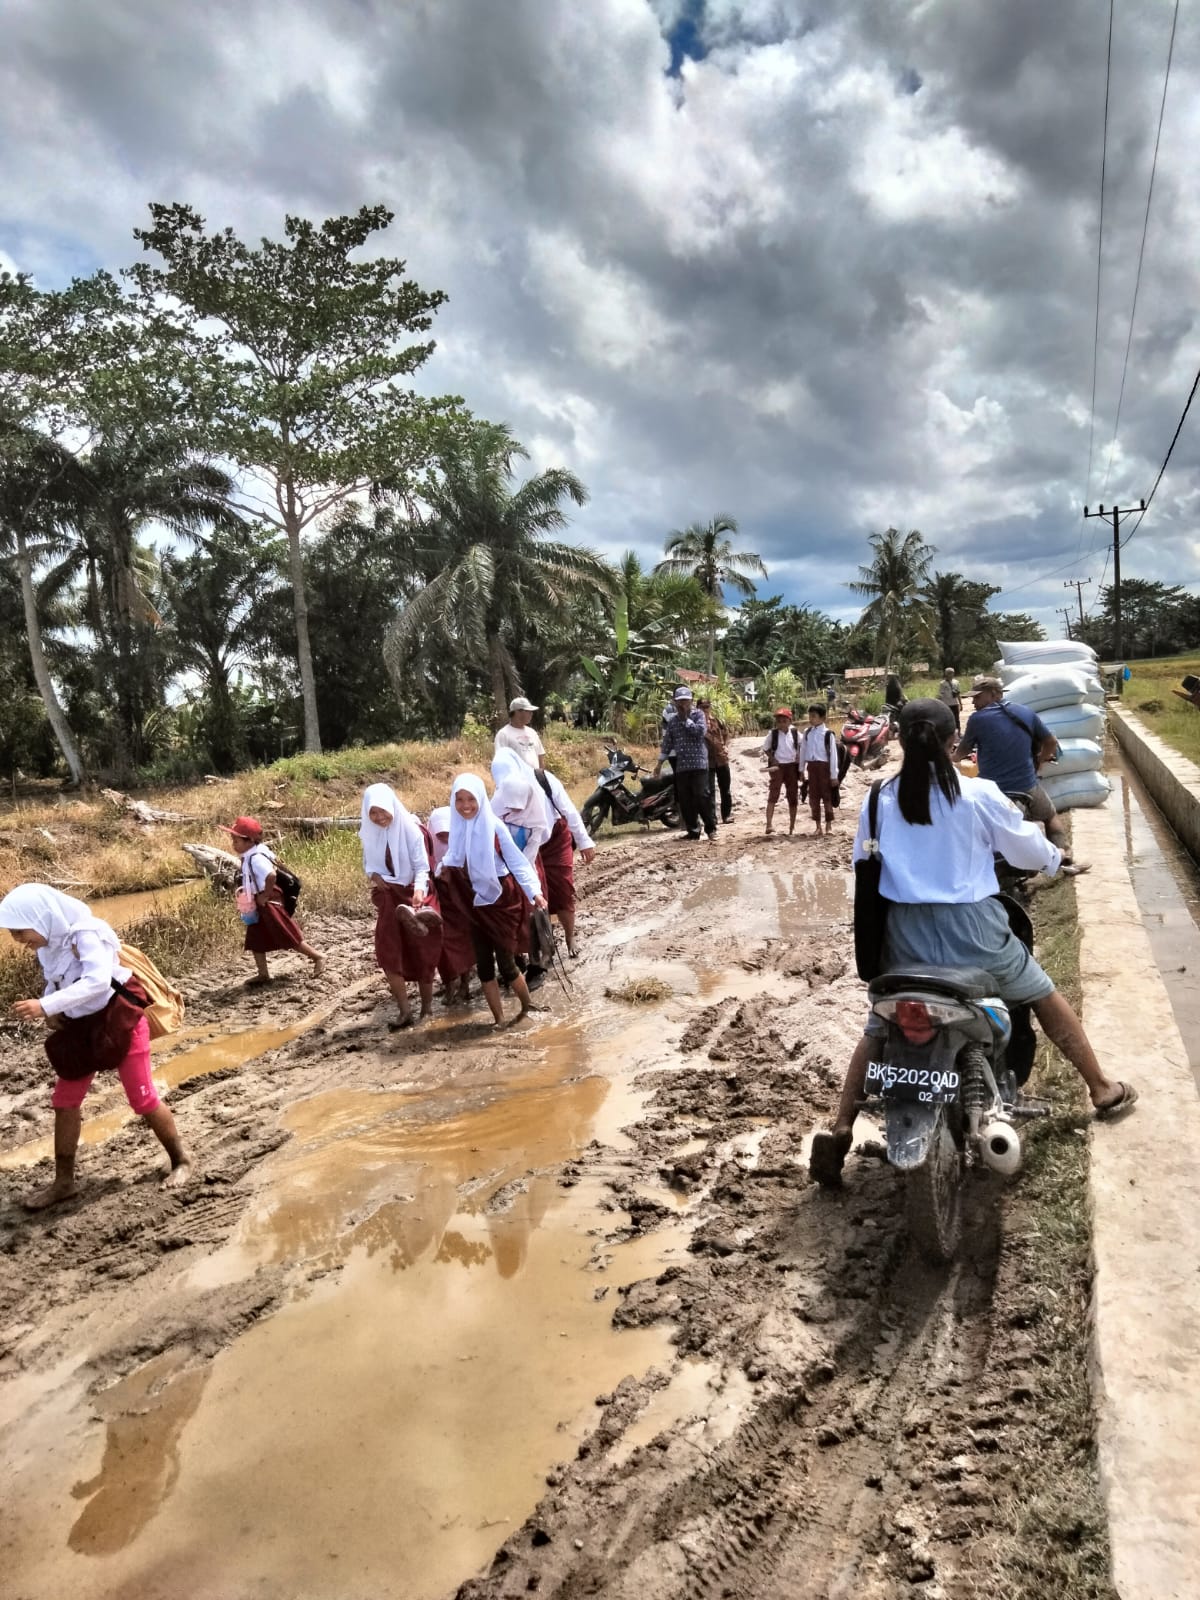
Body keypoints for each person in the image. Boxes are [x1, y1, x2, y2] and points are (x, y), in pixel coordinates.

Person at [808, 698, 1136, 1187]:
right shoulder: (978, 793)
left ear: (896, 738)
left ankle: (840, 1128)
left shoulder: (878, 799)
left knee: (879, 1025)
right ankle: (1102, 1088)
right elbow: (1027, 849)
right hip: (975, 931)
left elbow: (864, 864)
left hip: (903, 934)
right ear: (953, 741)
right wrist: (1053, 861)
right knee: (1041, 993)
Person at [0, 885, 193, 1210]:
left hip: (120, 1020)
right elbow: (56, 980)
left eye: (21, 931)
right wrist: (53, 1009)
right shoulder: (48, 945)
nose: (19, 939)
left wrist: (46, 1005)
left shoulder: (86, 933)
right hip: (83, 1027)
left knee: (142, 1099)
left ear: (41, 917)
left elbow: (98, 982)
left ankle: (182, 1159)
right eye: (14, 933)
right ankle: (64, 1182)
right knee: (64, 1101)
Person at [435, 773, 548, 1028]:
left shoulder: (494, 826)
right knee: (484, 965)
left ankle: (525, 1007)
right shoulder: (458, 827)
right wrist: (441, 867)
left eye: (471, 799)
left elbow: (518, 862)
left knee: (507, 964)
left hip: (501, 900)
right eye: (459, 800)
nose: (465, 805)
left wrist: (535, 892)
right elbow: (453, 855)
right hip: (475, 903)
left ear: (481, 799)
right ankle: (498, 1019)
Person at [956, 676, 1074, 861]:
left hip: (993, 792)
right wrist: (1039, 761)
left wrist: (949, 757)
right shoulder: (1025, 712)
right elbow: (1051, 742)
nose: (973, 701)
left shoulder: (977, 719)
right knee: (1050, 816)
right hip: (1027, 786)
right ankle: (1065, 855)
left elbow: (962, 751)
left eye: (977, 697)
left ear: (994, 694)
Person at [359, 782, 442, 1029]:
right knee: (388, 953)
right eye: (373, 812)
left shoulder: (411, 830)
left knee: (422, 952)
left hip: (414, 896)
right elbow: (368, 864)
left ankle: (426, 1008)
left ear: (392, 807)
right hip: (389, 898)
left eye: (383, 810)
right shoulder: (368, 833)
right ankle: (404, 1010)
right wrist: (374, 876)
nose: (379, 817)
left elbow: (421, 868)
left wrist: (419, 891)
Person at [220, 816, 325, 985]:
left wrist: (265, 895)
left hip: (268, 901)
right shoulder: (253, 853)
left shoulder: (256, 858)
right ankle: (263, 974)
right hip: (260, 900)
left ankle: (318, 956)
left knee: (285, 933)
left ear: (249, 841)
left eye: (236, 840)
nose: (234, 844)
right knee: (255, 937)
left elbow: (271, 875)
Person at [531, 764, 596, 958]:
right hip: (528, 844)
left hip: (555, 838)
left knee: (562, 888)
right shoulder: (506, 785)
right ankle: (544, 943)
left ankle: (570, 937)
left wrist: (584, 841)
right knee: (535, 892)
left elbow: (569, 811)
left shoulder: (544, 779)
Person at [657, 686, 717, 844]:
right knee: (685, 799)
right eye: (680, 701)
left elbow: (699, 732)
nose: (683, 704)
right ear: (675, 702)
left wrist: (686, 720)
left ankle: (711, 829)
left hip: (699, 763)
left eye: (686, 701)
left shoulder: (698, 715)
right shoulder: (673, 722)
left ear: (691, 701)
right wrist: (659, 764)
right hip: (682, 764)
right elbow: (667, 743)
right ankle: (693, 831)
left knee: (702, 795)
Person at [427, 806, 472, 1005]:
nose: (445, 840)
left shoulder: (464, 844)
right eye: (440, 836)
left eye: (448, 835)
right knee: (442, 944)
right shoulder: (427, 847)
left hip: (461, 901)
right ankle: (449, 984)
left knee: (465, 942)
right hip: (440, 900)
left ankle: (465, 983)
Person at [799, 703, 840, 835]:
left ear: (823, 718)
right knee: (814, 798)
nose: (811, 719)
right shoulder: (807, 733)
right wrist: (801, 769)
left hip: (824, 769)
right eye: (810, 716)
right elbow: (803, 751)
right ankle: (818, 826)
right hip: (812, 768)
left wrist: (834, 775)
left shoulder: (828, 734)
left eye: (814, 716)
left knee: (827, 796)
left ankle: (828, 826)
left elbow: (833, 756)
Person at [760, 706, 801, 836]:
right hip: (778, 768)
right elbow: (765, 748)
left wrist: (799, 758)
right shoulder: (773, 734)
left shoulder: (795, 734)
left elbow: (803, 745)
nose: (781, 723)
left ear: (790, 721)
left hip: (791, 767)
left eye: (784, 721)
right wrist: (772, 759)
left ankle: (792, 826)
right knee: (773, 795)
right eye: (779, 721)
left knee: (792, 796)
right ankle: (769, 825)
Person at [696, 697, 734, 825]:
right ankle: (712, 818)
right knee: (710, 791)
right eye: (702, 707)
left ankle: (726, 815)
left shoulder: (716, 721)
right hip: (707, 761)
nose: (705, 710)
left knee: (725, 789)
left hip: (721, 758)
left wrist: (725, 746)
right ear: (698, 708)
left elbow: (725, 734)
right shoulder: (696, 724)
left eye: (707, 707)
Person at [494, 697, 546, 770]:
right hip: (517, 780)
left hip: (535, 779)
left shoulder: (532, 732)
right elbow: (501, 760)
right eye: (528, 711)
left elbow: (540, 756)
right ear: (517, 712)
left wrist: (542, 776)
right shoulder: (503, 734)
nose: (531, 714)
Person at [936, 667, 962, 732]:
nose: (950, 675)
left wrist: (961, 704)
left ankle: (959, 732)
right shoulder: (942, 683)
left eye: (952, 673)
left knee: (957, 719)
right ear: (946, 674)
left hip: (955, 703)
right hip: (947, 704)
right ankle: (950, 733)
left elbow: (958, 694)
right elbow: (940, 695)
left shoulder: (956, 682)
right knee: (947, 719)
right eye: (948, 673)